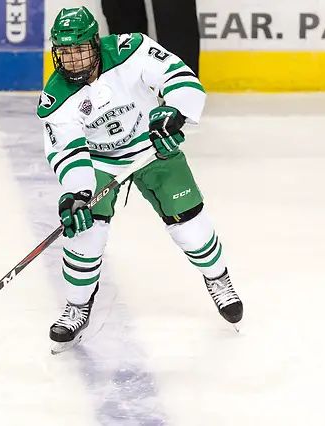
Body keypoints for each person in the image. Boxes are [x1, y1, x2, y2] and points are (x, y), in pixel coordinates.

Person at [37, 6, 242, 352]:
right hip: (100, 160)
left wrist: (173, 113)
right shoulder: (56, 98)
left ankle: (218, 277)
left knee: (192, 227)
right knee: (85, 232)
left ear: (95, 43)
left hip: (152, 148)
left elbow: (179, 76)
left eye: (80, 49)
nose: (73, 60)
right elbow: (68, 153)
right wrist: (77, 194)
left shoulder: (131, 50)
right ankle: (77, 304)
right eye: (65, 52)